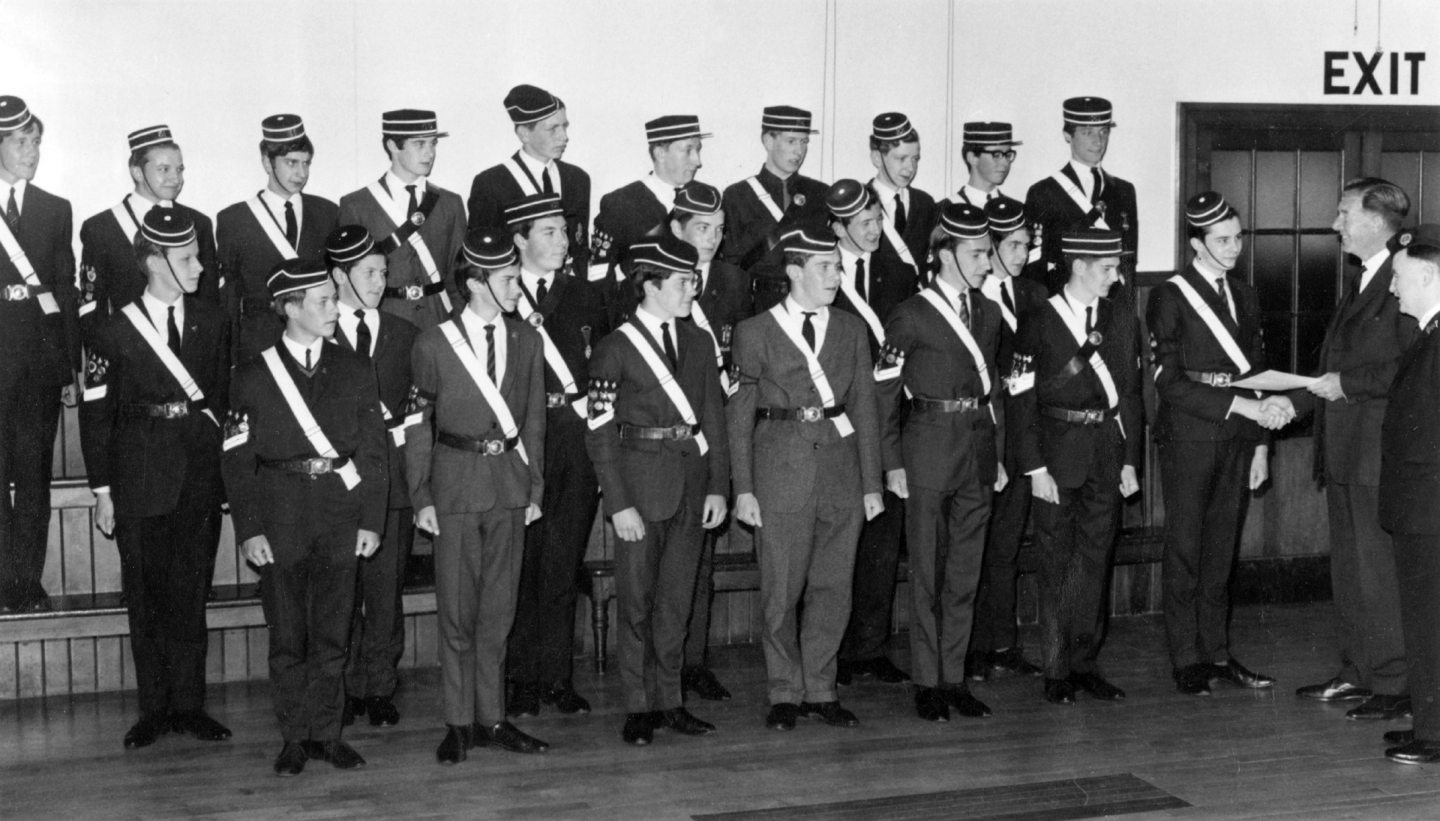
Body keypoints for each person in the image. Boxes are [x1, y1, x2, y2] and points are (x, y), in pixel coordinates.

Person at [222, 258, 387, 776]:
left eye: (333, 299)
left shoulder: (356, 367)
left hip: (341, 512)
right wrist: (248, 529)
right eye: (323, 300)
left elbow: (376, 453)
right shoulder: (250, 374)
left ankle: (328, 734)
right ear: (290, 309)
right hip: (280, 515)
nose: (335, 308)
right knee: (289, 635)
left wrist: (371, 521)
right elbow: (235, 458)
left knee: (336, 631)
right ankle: (294, 737)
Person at [79, 207, 231, 749]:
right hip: (138, 474)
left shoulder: (212, 320)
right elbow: (96, 414)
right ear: (154, 262)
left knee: (192, 592)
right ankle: (154, 709)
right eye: (187, 259)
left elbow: (221, 401)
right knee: (145, 596)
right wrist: (101, 490)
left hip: (197, 474)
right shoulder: (111, 330)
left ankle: (190, 706)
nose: (199, 267)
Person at [728, 226, 883, 732]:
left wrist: (872, 484)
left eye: (837, 267)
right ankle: (783, 692)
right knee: (781, 591)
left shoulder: (851, 329)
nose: (835, 276)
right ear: (794, 271)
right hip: (780, 475)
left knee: (833, 588)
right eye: (825, 267)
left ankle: (821, 688)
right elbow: (739, 417)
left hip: (842, 474)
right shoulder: (754, 332)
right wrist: (744, 488)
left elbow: (865, 407)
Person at [406, 229, 549, 763]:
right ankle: (458, 721)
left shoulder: (527, 340)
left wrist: (535, 486)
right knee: (457, 613)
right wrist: (421, 495)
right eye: (509, 279)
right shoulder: (433, 342)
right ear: (475, 283)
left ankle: (493, 717)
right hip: (456, 489)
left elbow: (534, 420)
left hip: (509, 487)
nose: (518, 287)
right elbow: (418, 424)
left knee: (499, 611)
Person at [586, 235, 730, 746]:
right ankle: (638, 705)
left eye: (693, 280)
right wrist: (618, 503)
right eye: (684, 282)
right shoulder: (613, 347)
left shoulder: (699, 342)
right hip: (640, 495)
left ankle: (671, 701)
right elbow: (600, 432)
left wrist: (718, 486)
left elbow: (713, 416)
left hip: (691, 488)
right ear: (650, 285)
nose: (694, 289)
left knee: (676, 602)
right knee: (638, 604)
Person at [1291, 178, 1417, 722]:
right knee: (1349, 571)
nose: (1335, 223)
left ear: (1375, 220)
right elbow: (1334, 366)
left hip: (1374, 453)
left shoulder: (1406, 277)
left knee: (1377, 572)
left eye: (1344, 213)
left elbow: (1411, 366)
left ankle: (1392, 683)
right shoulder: (1363, 276)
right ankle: (1357, 671)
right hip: (1344, 451)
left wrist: (1348, 385)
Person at [875, 202, 1005, 721]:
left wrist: (999, 455)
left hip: (976, 452)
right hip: (925, 451)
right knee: (927, 571)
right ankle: (927, 681)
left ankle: (954, 678)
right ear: (945, 256)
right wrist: (890, 462)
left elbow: (994, 390)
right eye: (977, 254)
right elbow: (884, 392)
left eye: (988, 253)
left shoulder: (990, 313)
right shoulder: (909, 314)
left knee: (965, 572)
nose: (987, 264)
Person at [1147, 191, 1280, 696]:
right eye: (1222, 240)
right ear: (1196, 244)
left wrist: (1262, 444)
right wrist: (1241, 408)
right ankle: (1187, 658)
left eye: (1239, 238)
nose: (1234, 248)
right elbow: (1169, 381)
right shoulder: (1170, 295)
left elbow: (1258, 374)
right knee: (1185, 547)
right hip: (1189, 435)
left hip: (1238, 438)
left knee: (1222, 548)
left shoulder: (1245, 295)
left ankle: (1218, 653)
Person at [1007, 228, 1141, 705]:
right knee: (1056, 564)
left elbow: (1130, 394)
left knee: (1095, 562)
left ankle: (1086, 664)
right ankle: (1057, 668)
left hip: (1106, 450)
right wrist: (1034, 467)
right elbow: (1020, 398)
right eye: (1107, 268)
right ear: (1079, 266)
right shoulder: (1038, 319)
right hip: (1055, 456)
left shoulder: (1120, 317)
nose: (1116, 277)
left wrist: (1130, 459)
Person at [503, 193, 610, 718]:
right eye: (548, 232)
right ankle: (519, 678)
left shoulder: (586, 295)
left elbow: (607, 365)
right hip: (521, 436)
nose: (562, 242)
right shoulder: (501, 293)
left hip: (574, 434)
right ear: (519, 240)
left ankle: (556, 677)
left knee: (564, 561)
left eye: (565, 232)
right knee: (522, 563)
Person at [324, 226, 419, 728]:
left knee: (386, 588)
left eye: (384, 272)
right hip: (340, 483)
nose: (380, 282)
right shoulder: (320, 332)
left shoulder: (404, 334)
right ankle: (344, 688)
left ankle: (379, 685)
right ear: (339, 276)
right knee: (343, 589)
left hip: (393, 483)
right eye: (368, 273)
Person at [822, 179, 914, 687]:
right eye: (864, 224)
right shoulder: (822, 270)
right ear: (837, 229)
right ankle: (828, 652)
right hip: (839, 424)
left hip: (888, 422)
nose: (876, 229)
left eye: (878, 219)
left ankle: (870, 648)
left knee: (882, 541)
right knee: (837, 546)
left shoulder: (899, 273)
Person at [669, 180, 752, 702]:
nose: (712, 240)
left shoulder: (732, 280)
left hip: (713, 424)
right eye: (701, 229)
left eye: (719, 231)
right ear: (676, 228)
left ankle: (693, 661)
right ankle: (664, 661)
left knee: (701, 557)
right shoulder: (653, 278)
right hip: (665, 433)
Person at [0, 95, 80, 613]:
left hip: (36, 369)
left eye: (36, 142)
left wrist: (69, 364)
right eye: (20, 142)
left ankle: (24, 582)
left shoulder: (55, 209)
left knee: (33, 480)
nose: (31, 151)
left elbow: (65, 292)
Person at [967, 196, 1049, 681]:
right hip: (985, 435)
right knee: (976, 544)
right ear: (990, 245)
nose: (1022, 254)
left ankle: (1003, 642)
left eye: (1027, 245)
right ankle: (973, 647)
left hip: (1024, 436)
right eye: (1013, 245)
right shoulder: (975, 298)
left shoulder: (1035, 295)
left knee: (1007, 545)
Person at [1377, 224, 1440, 764]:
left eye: (1398, 278)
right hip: (1421, 506)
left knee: (1431, 622)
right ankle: (1428, 722)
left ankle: (1437, 734)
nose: (1393, 288)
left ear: (1426, 274)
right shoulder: (1428, 333)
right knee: (1423, 621)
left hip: (1432, 511)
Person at [217, 114, 339, 363]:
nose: (301, 173)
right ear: (267, 162)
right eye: (291, 163)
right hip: (259, 341)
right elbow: (229, 297)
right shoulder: (235, 219)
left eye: (306, 163)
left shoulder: (326, 212)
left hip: (315, 339)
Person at [79, 124, 219, 340]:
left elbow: (208, 299)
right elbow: (92, 307)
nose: (176, 178)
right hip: (129, 348)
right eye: (164, 169)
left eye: (179, 169)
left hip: (188, 349)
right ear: (137, 172)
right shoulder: (101, 228)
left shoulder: (198, 223)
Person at [338, 109, 465, 331]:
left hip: (441, 320)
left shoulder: (450, 203)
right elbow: (351, 280)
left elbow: (460, 273)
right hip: (385, 321)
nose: (430, 153)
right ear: (393, 146)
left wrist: (459, 321)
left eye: (433, 144)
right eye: (419, 144)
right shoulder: (357, 205)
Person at [588, 114, 711, 321]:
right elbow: (599, 275)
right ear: (660, 153)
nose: (697, 161)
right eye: (688, 150)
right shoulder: (622, 203)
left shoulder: (704, 198)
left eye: (698, 150)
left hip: (695, 318)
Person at [467, 84, 590, 271]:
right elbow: (482, 257)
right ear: (524, 134)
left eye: (564, 126)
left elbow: (579, 247)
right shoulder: (492, 184)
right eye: (552, 129)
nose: (564, 137)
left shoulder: (577, 179)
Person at [720, 106, 829, 311]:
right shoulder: (738, 196)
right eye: (791, 141)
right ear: (768, 141)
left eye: (804, 142)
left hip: (809, 303)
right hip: (757, 305)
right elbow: (730, 266)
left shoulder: (819, 194)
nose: (799, 151)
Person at [1024, 98, 1138, 295]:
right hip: (1061, 300)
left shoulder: (1124, 190)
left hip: (1110, 301)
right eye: (1087, 133)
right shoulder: (1044, 192)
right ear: (1068, 135)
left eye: (1104, 132)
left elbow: (1128, 259)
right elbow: (1036, 263)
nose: (1098, 141)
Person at [868, 112, 935, 275]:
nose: (910, 168)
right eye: (901, 158)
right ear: (877, 158)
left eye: (915, 159)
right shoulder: (860, 201)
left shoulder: (925, 203)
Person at [946, 122, 1023, 207]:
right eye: (996, 155)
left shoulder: (1017, 209)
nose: (1005, 162)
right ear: (972, 158)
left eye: (1008, 155)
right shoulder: (946, 209)